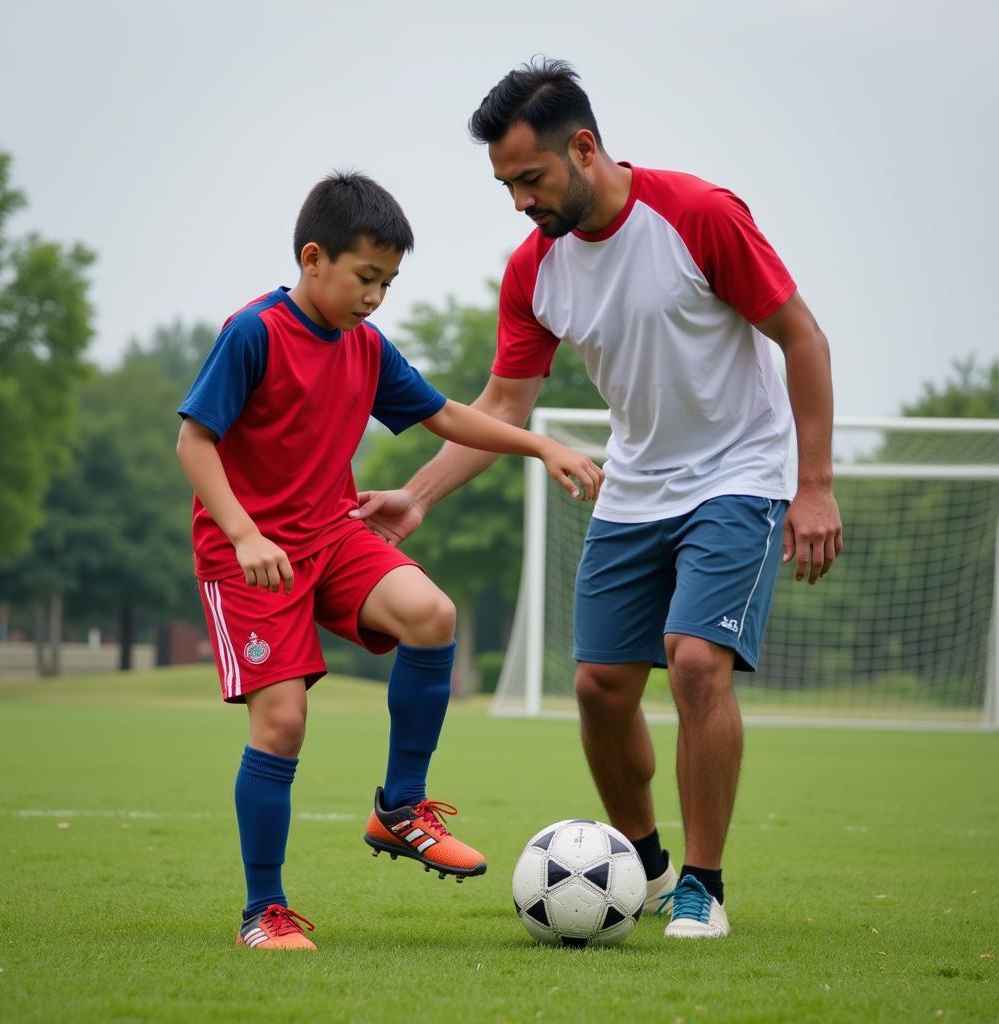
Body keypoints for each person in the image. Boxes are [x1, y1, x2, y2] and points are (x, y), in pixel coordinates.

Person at [350, 60, 844, 939]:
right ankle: (645, 865)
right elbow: (504, 407)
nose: (520, 202)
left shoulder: (699, 215)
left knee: (695, 664)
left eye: (530, 180)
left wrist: (813, 486)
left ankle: (703, 884)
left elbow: (800, 335)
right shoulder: (534, 270)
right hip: (634, 485)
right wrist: (420, 497)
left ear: (584, 147)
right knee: (598, 689)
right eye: (505, 185)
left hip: (740, 476)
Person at [175, 170, 603, 950]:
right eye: (365, 278)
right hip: (249, 557)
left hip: (332, 534)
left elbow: (446, 415)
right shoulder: (255, 333)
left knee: (431, 614)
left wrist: (539, 443)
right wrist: (243, 532)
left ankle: (400, 808)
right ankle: (263, 912)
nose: (375, 298)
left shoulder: (367, 348)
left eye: (388, 283)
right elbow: (193, 441)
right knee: (283, 725)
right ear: (314, 259)